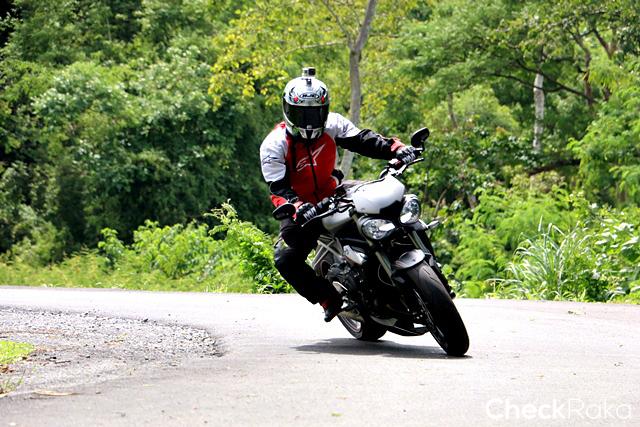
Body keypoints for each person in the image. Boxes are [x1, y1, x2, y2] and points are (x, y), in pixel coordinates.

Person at [259, 67, 419, 322]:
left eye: (315, 113)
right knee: (284, 258)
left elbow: (363, 140)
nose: (309, 121)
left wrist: (396, 149)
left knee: (390, 202)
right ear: (287, 110)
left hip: (335, 190)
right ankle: (328, 298)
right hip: (303, 208)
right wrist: (297, 206)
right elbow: (278, 189)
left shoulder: (334, 123)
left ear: (325, 110)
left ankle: (416, 264)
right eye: (302, 113)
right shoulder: (273, 144)